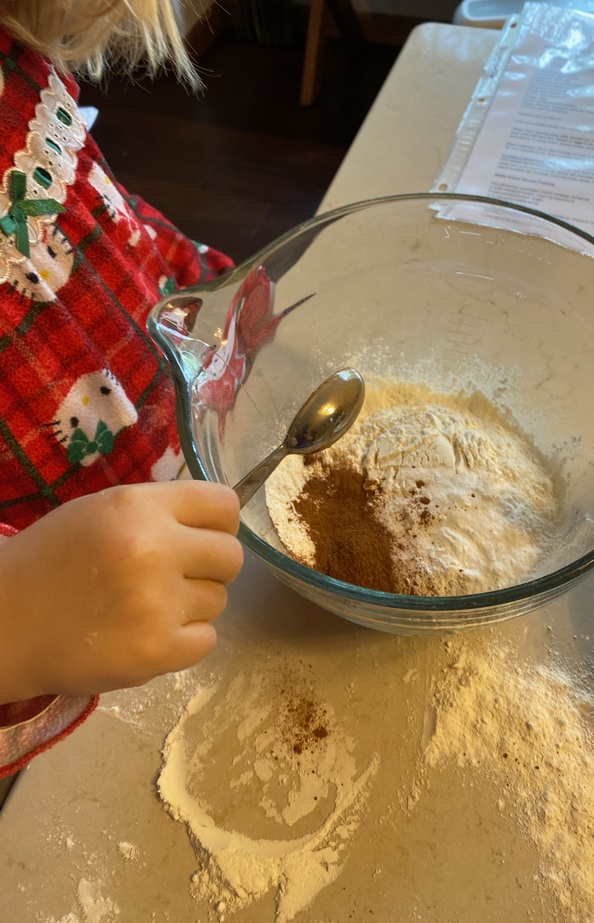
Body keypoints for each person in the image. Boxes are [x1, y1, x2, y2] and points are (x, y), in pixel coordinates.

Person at [0, 0, 245, 778]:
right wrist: (18, 619)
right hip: (61, 682)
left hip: (182, 537)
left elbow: (106, 226)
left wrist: (223, 298)